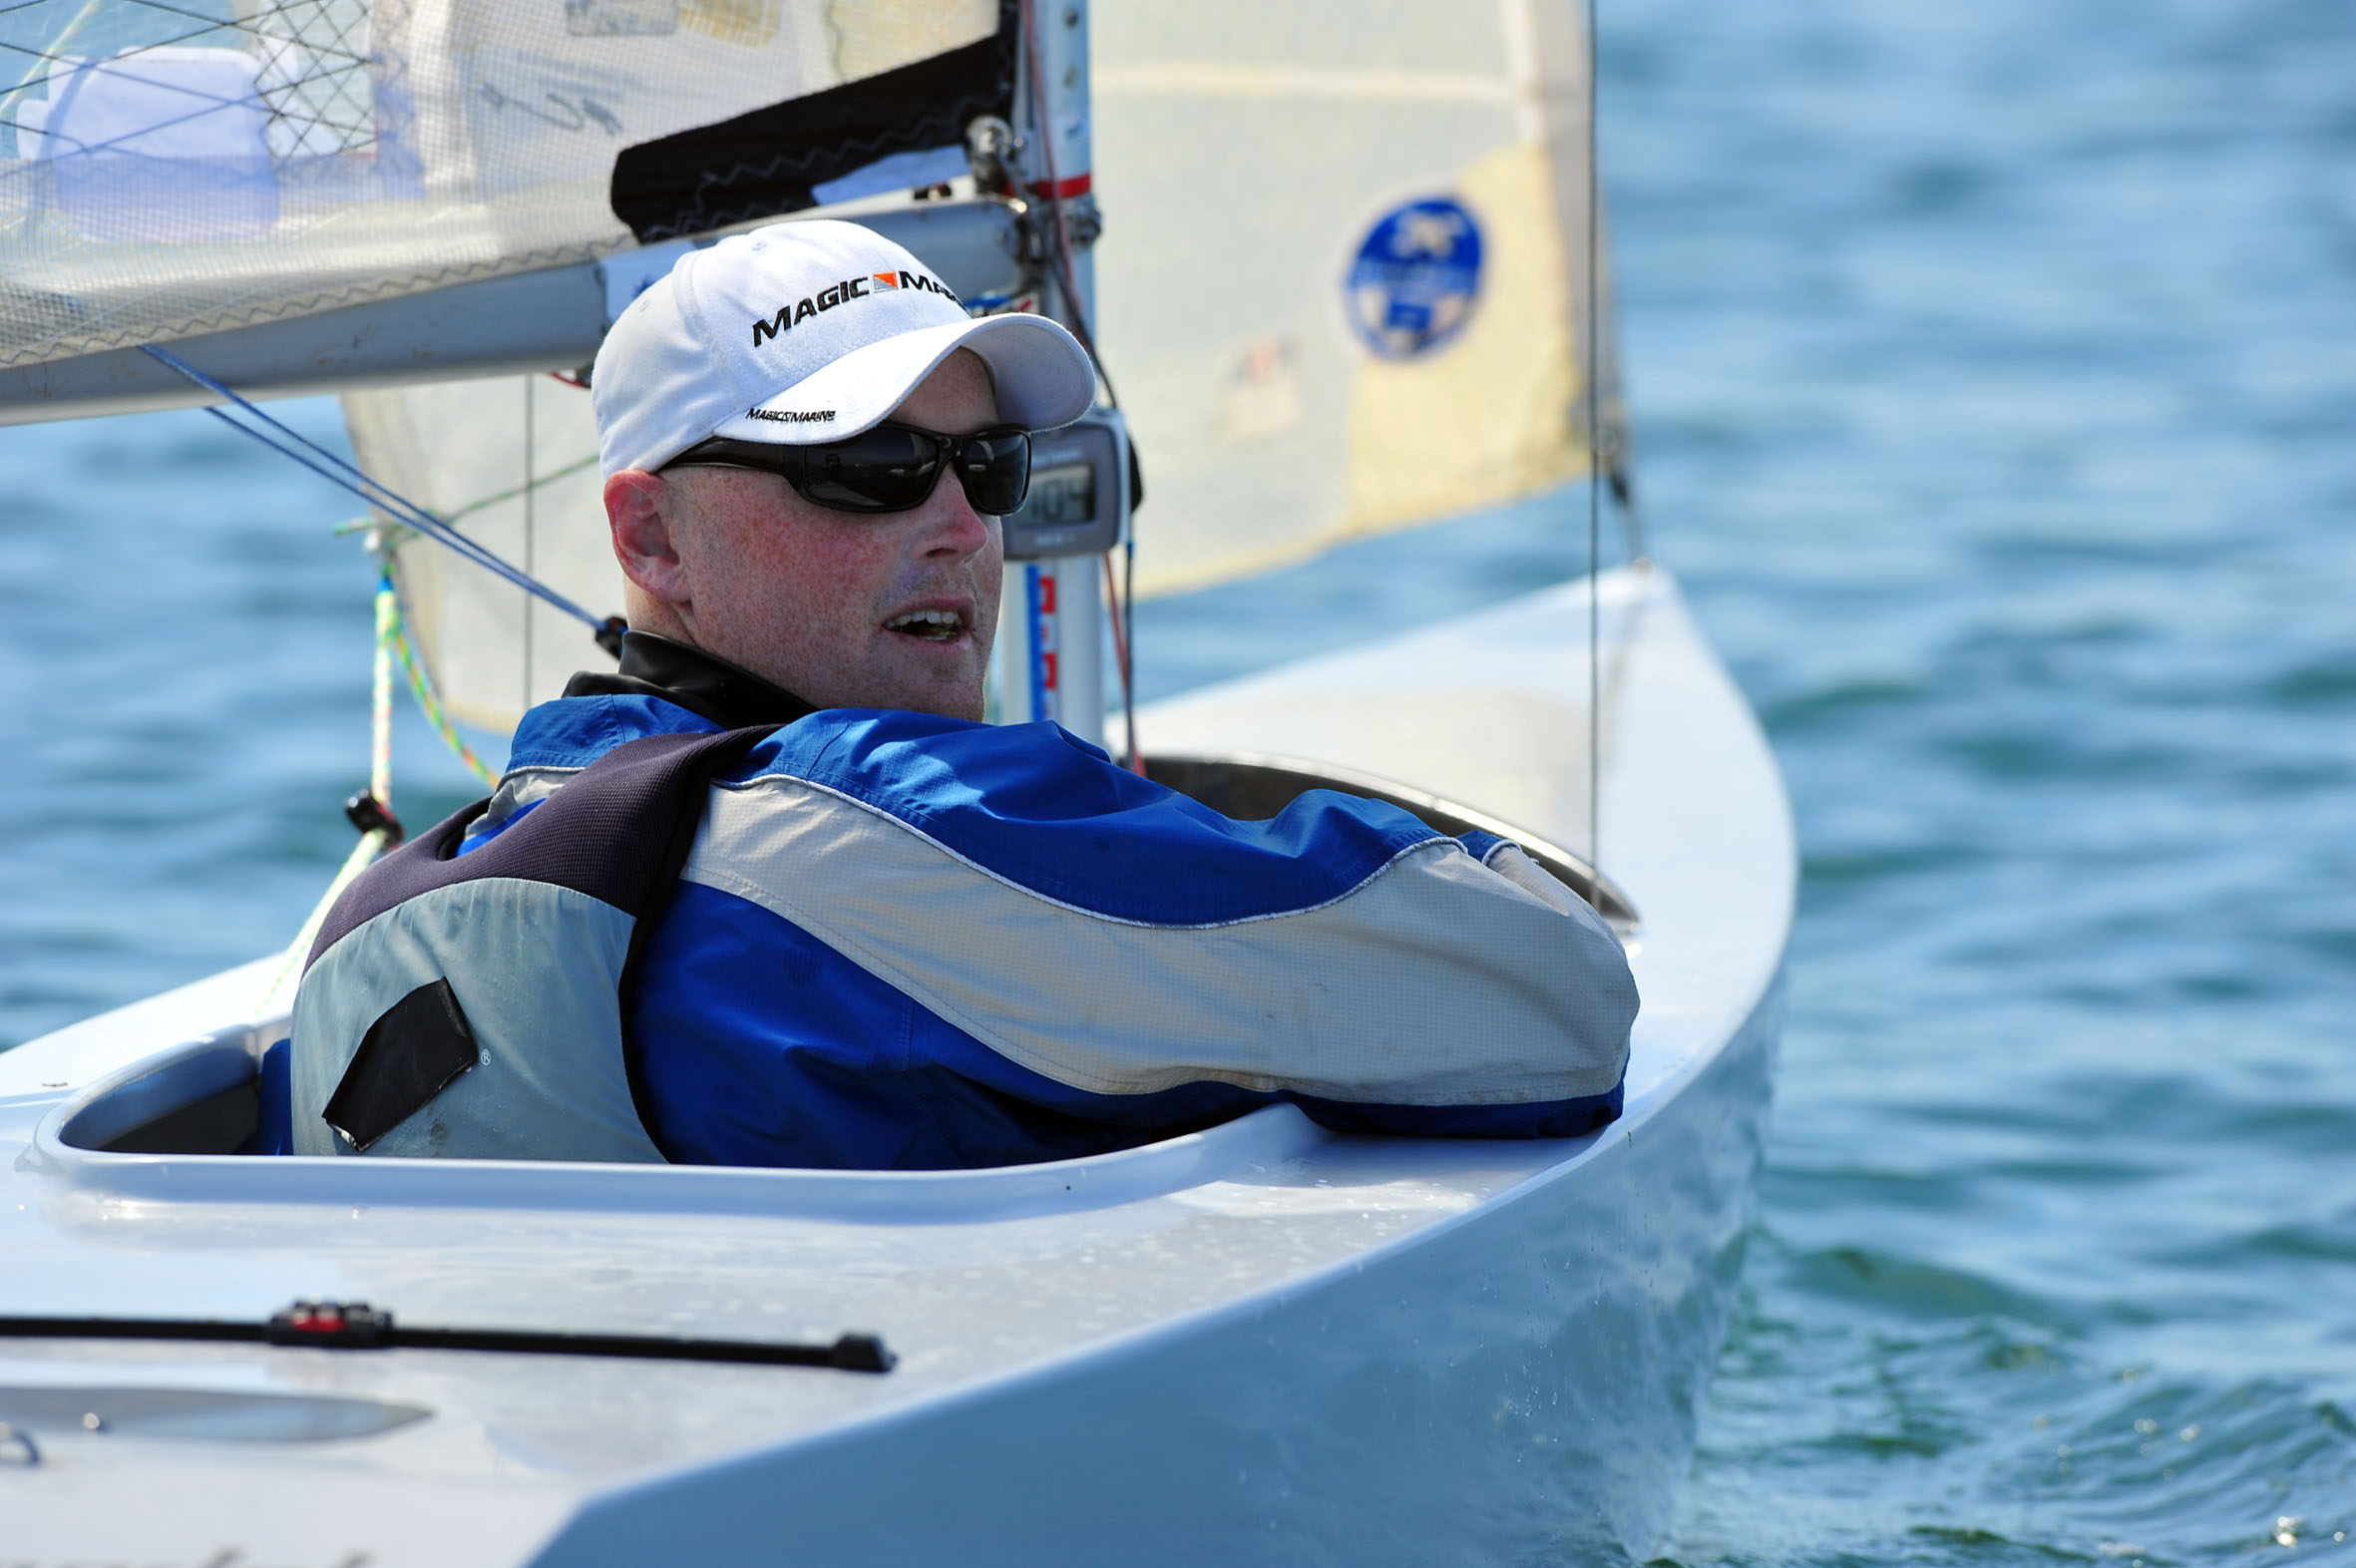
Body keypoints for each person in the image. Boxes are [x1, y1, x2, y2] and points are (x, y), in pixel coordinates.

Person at [288, 219, 1639, 1168]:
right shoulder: (909, 823)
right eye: (870, 469)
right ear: (651, 538)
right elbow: (1549, 1001)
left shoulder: (390, 911)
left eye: (988, 466)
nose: (961, 529)